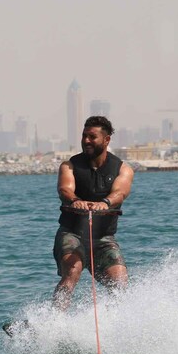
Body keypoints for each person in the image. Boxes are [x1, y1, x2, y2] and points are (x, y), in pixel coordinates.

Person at [53, 115, 133, 310]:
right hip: (72, 233)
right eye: (84, 136)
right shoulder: (69, 165)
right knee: (73, 270)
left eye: (92, 136)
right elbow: (65, 189)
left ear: (106, 140)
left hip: (103, 238)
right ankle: (53, 323)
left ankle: (111, 325)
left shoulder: (122, 169)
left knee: (120, 283)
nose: (86, 140)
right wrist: (75, 201)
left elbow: (120, 192)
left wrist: (105, 203)